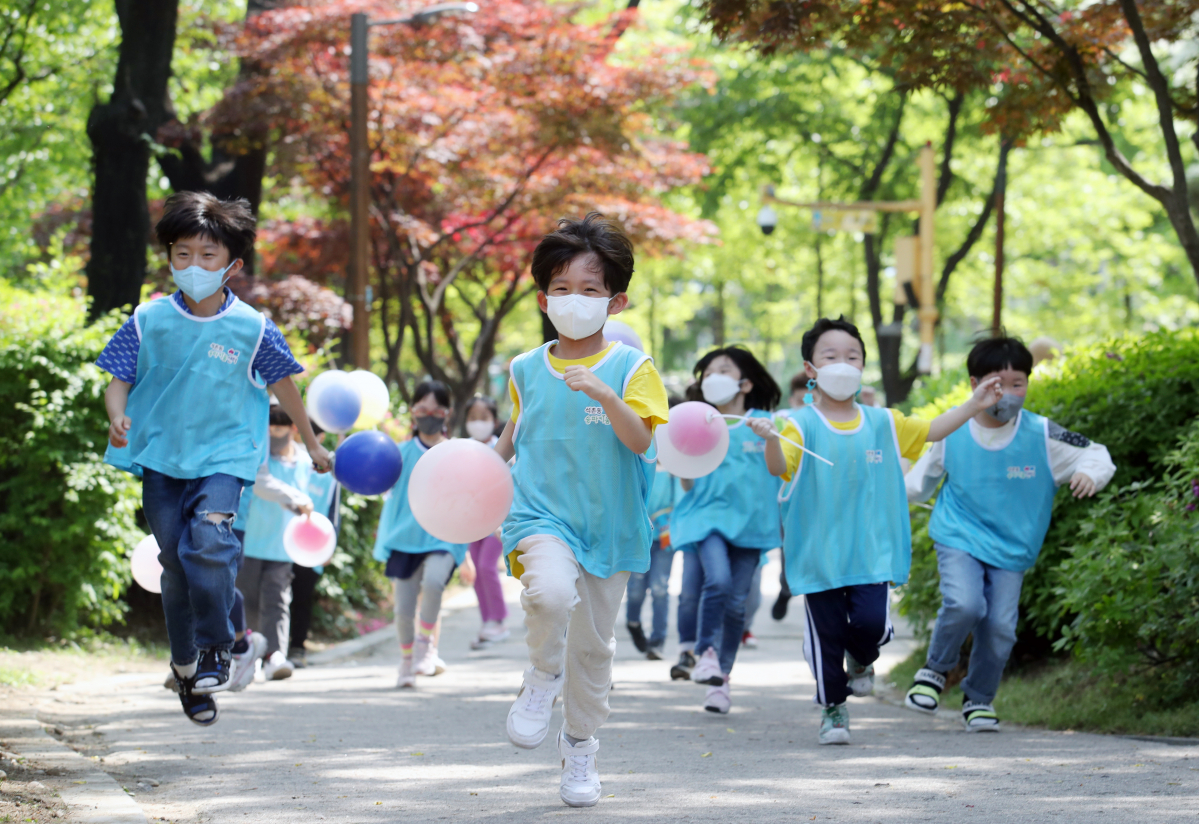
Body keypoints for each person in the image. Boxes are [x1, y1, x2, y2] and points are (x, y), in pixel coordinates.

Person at [97, 192, 331, 726]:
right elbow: (119, 380)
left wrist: (312, 443)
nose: (195, 266)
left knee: (209, 540)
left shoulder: (253, 328)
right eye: (183, 254)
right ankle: (187, 671)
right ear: (169, 257)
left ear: (232, 264)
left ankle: (219, 649)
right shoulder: (148, 319)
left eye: (208, 256)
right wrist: (117, 415)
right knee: (176, 568)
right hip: (162, 459)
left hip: (226, 457)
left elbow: (285, 387)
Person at [756, 317, 1003, 745]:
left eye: (852, 356)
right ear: (810, 369)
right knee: (827, 635)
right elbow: (778, 469)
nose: (842, 363)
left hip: (872, 552)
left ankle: (862, 659)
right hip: (819, 557)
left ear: (863, 367)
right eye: (830, 356)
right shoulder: (797, 424)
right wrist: (771, 439)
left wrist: (974, 404)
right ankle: (834, 709)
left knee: (871, 626)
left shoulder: (884, 422)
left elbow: (930, 431)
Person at [494, 213, 669, 808]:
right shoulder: (522, 369)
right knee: (547, 594)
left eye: (590, 290)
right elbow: (514, 434)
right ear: (544, 298)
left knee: (594, 650)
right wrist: (478, 476)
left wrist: (605, 394)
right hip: (541, 516)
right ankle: (542, 677)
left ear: (615, 301)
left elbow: (643, 442)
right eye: (562, 289)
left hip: (610, 526)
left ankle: (580, 745)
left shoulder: (633, 369)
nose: (574, 301)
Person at [904, 336, 1114, 731]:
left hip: (1013, 548)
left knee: (1000, 627)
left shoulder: (1043, 434)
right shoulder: (954, 428)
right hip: (959, 534)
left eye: (1018, 383)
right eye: (998, 383)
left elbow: (1095, 452)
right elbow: (917, 485)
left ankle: (979, 700)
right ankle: (934, 671)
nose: (1009, 393)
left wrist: (1089, 473)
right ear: (974, 384)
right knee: (965, 604)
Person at [670, 345, 783, 714]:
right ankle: (704, 652)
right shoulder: (697, 421)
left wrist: (771, 438)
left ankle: (721, 680)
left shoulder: (763, 422)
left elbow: (777, 470)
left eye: (724, 370)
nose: (713, 378)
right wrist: (681, 457)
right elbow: (686, 484)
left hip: (751, 524)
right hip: (707, 519)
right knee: (715, 582)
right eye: (709, 373)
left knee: (737, 605)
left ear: (746, 384)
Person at [373, 380, 473, 688]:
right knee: (403, 610)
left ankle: (425, 644)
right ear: (413, 412)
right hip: (404, 539)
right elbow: (371, 480)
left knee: (434, 582)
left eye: (435, 409)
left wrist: (466, 553)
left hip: (443, 538)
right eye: (421, 409)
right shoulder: (398, 454)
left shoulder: (457, 452)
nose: (428, 415)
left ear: (447, 413)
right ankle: (406, 662)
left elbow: (467, 499)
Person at [238, 405, 338, 681]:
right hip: (251, 539)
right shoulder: (258, 458)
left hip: (284, 546)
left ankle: (275, 654)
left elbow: (320, 498)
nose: (273, 434)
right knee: (248, 600)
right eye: (269, 428)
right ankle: (248, 654)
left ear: (294, 429)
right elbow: (262, 485)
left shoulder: (306, 463)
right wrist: (295, 499)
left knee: (278, 600)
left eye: (279, 428)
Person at [463, 394, 510, 650]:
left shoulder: (503, 447)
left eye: (484, 417)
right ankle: (487, 623)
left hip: (498, 521)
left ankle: (499, 621)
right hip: (472, 520)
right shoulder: (462, 449)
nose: (478, 423)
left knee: (486, 567)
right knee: (475, 572)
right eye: (472, 418)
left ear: (494, 420)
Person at [626, 451, 679, 661]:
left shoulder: (675, 470)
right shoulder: (638, 462)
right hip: (639, 534)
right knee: (636, 589)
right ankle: (633, 623)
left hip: (665, 536)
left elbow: (680, 502)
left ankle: (657, 641)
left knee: (660, 588)